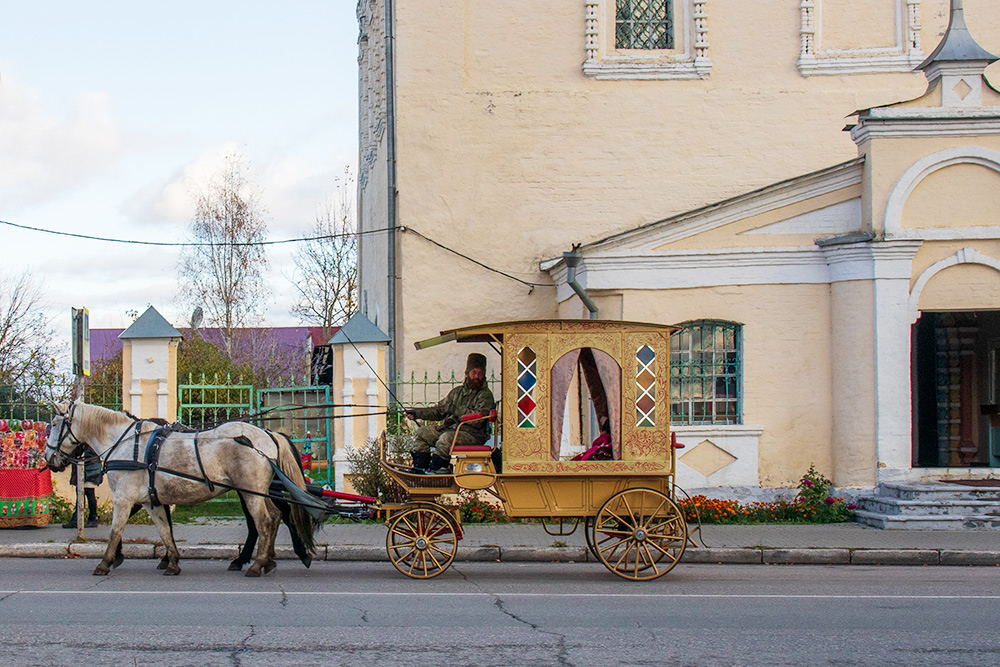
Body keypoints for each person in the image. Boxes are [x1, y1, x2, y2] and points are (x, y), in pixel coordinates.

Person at [405, 352, 495, 474]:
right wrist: (417, 413)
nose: (477, 376)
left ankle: (438, 468)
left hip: (473, 435)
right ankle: (420, 467)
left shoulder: (485, 395)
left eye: (480, 373)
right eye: (474, 372)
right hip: (451, 430)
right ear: (467, 373)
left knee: (446, 438)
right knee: (422, 433)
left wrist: (455, 410)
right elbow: (438, 411)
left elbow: (478, 420)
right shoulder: (456, 393)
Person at [63, 445, 103, 528]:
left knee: (89, 493)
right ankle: (78, 518)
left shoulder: (90, 441)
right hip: (85, 469)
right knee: (81, 493)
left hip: (89, 469)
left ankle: (92, 518)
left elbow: (89, 454)